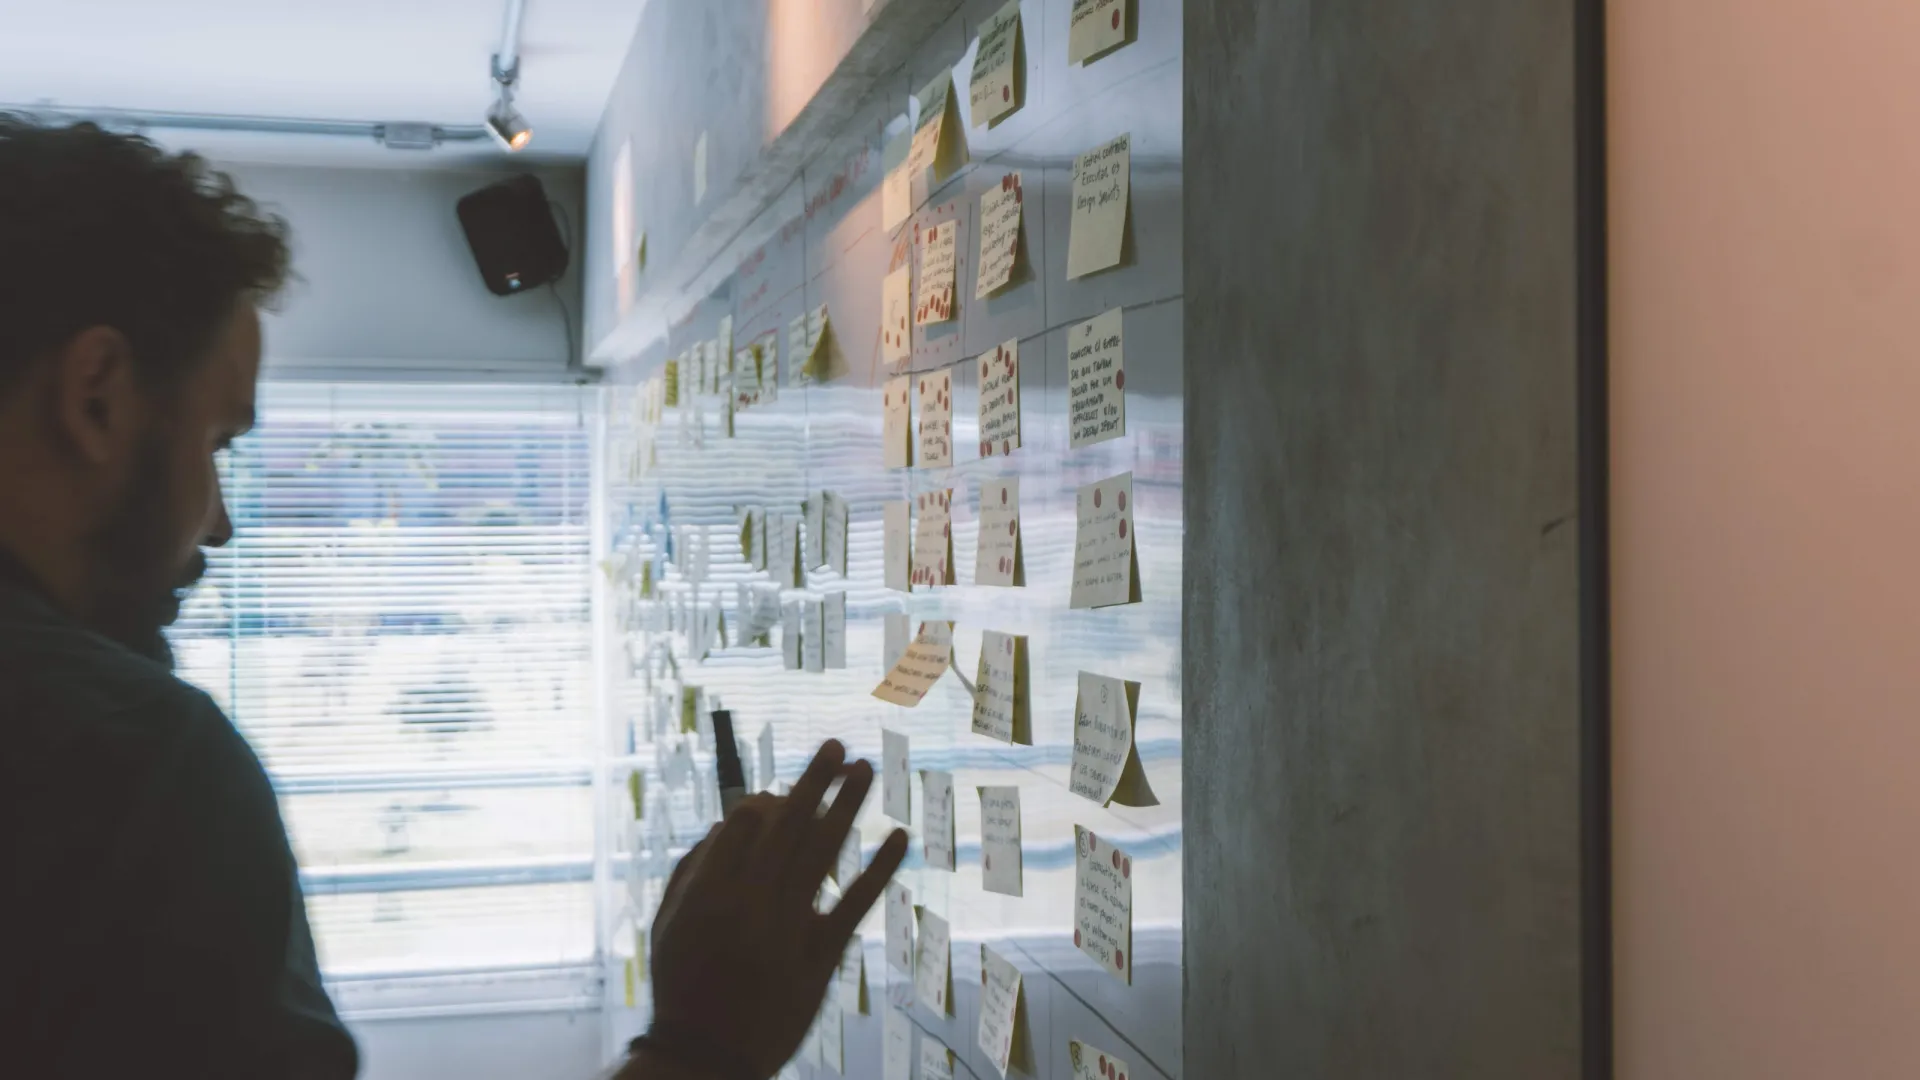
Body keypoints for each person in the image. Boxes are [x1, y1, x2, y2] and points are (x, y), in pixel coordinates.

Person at [0, 115, 907, 1080]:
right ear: (96, 396)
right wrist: (702, 1046)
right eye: (217, 444)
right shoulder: (131, 763)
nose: (220, 524)